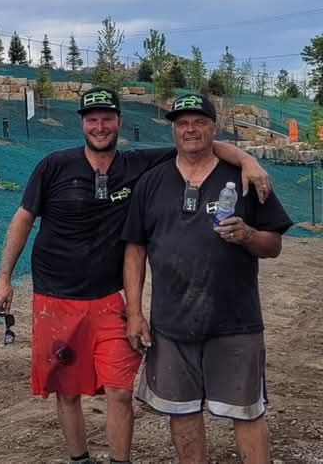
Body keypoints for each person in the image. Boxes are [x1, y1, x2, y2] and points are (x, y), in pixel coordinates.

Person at [0, 87, 272, 464]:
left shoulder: (139, 165)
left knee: (120, 390)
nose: (100, 126)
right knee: (67, 390)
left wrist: (247, 159)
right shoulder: (54, 166)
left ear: (119, 122)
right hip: (54, 297)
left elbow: (197, 144)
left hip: (110, 298)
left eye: (107, 119)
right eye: (92, 119)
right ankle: (79, 459)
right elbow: (23, 218)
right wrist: (4, 277)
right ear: (82, 123)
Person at [122, 93, 292, 464]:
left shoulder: (244, 178)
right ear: (173, 130)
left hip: (236, 322)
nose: (190, 129)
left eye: (199, 122)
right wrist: (134, 313)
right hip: (171, 324)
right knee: (181, 412)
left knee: (247, 411)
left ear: (214, 128)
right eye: (182, 123)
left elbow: (274, 245)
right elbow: (135, 249)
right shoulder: (151, 182)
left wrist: (248, 235)